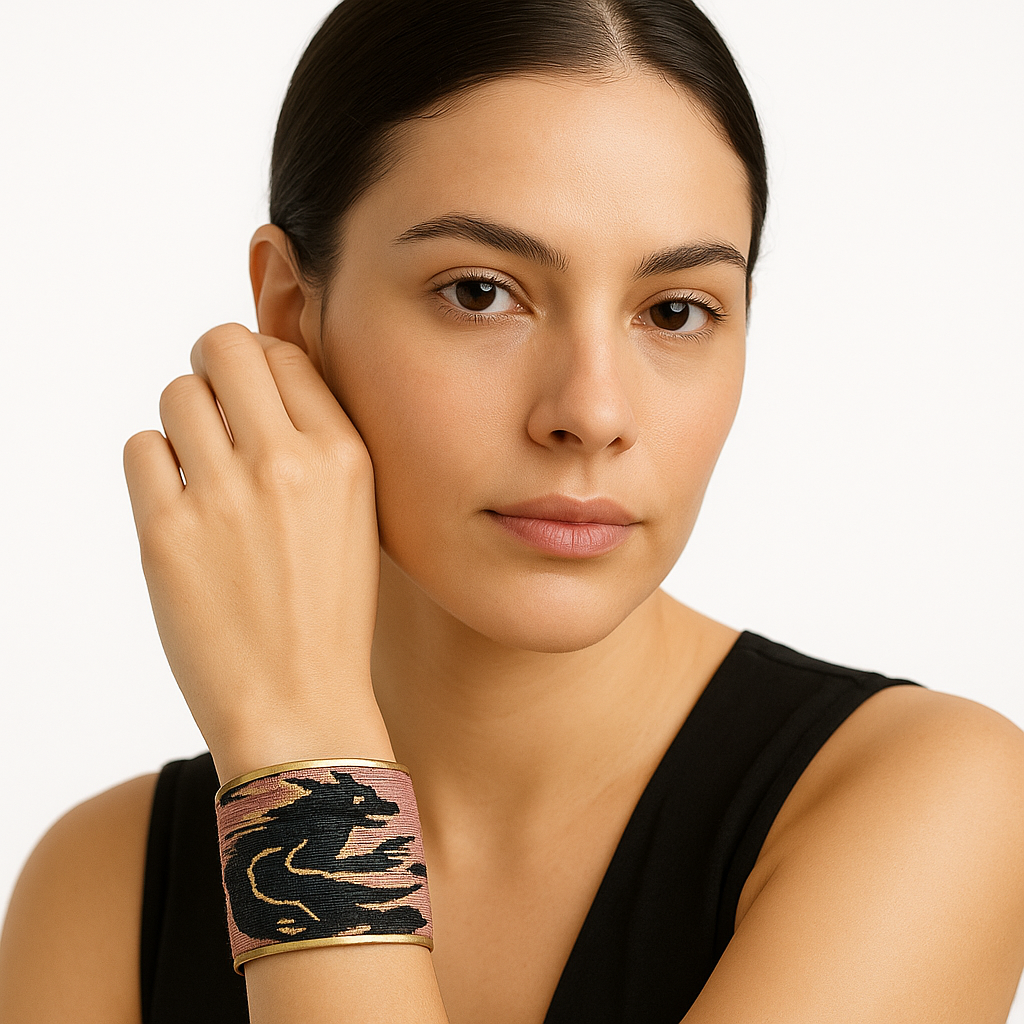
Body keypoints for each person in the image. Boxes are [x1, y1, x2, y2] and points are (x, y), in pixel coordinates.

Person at [1, 0, 1023, 1021]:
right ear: (290, 313)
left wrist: (305, 754)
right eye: (480, 291)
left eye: (674, 311)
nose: (591, 411)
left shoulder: (933, 797)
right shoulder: (103, 885)